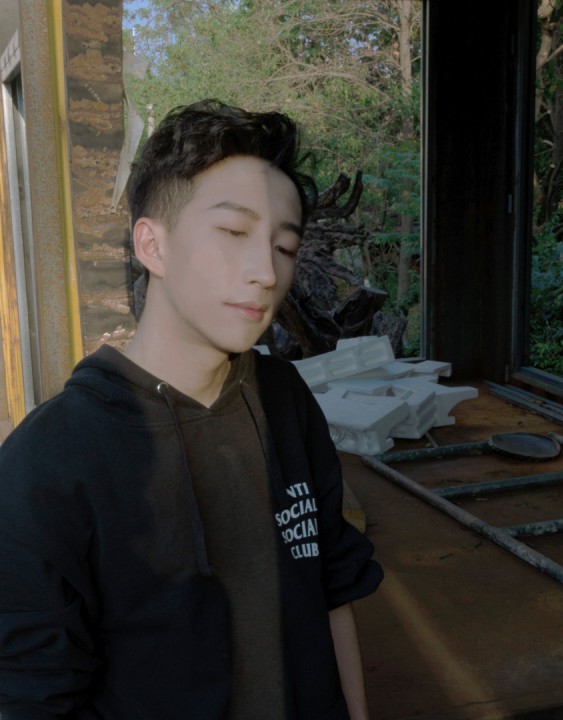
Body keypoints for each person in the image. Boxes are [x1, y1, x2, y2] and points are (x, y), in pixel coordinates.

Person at [0, 99, 383, 719]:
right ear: (152, 245)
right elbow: (35, 695)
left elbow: (333, 588)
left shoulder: (284, 398)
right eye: (233, 233)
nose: (265, 273)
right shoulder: (46, 464)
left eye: (285, 247)